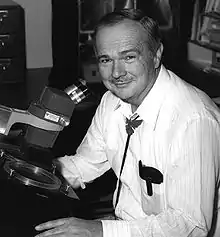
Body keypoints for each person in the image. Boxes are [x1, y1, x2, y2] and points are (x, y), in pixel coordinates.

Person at [34, 9, 220, 237]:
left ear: (156, 54)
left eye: (129, 57)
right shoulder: (111, 101)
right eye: (106, 60)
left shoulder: (193, 120)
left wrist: (99, 230)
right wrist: (32, 169)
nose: (116, 72)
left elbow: (190, 225)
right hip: (129, 225)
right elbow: (85, 164)